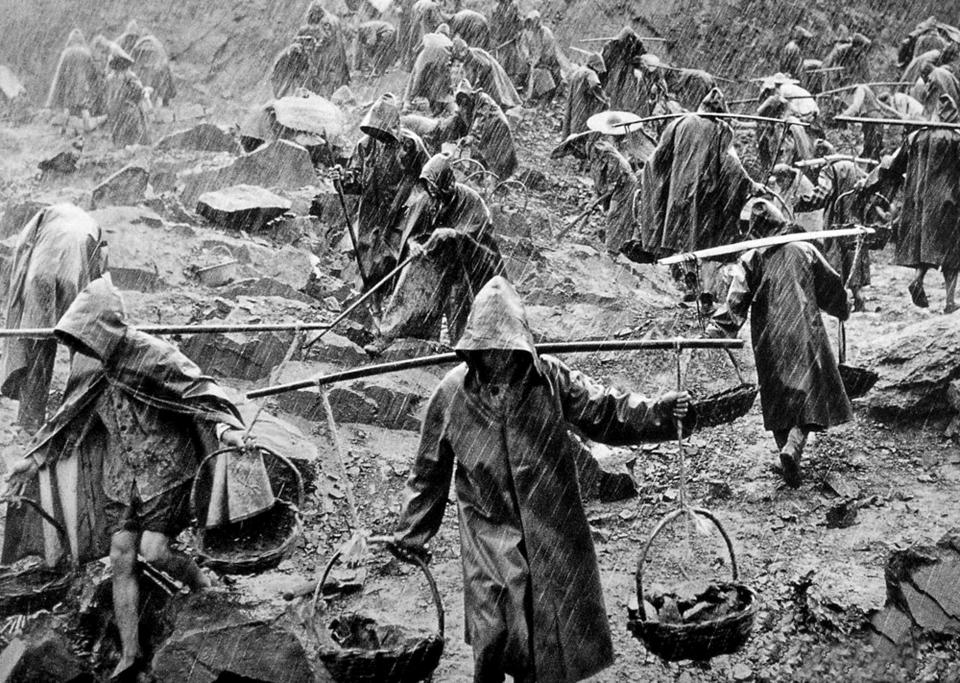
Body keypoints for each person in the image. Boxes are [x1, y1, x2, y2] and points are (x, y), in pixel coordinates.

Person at [392, 275, 692, 682]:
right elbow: (429, 471)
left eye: (506, 348)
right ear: (475, 347)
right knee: (494, 628)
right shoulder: (451, 394)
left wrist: (658, 411)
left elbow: (604, 410)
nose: (499, 358)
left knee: (546, 634)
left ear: (520, 344)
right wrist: (411, 534)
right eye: (489, 348)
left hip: (550, 521)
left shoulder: (549, 379)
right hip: (487, 527)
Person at [2, 277, 261, 680]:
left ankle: (199, 582)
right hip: (120, 477)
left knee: (154, 550)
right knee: (121, 553)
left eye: (87, 338)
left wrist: (226, 429)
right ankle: (130, 653)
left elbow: (199, 391)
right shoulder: (90, 366)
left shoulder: (151, 354)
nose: (82, 347)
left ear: (106, 328)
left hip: (165, 468)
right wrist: (31, 460)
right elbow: (66, 420)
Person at [707, 200, 852, 487]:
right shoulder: (804, 248)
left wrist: (719, 328)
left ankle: (785, 452)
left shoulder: (752, 257)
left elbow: (737, 297)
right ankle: (794, 446)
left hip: (768, 336)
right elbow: (830, 288)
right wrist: (844, 306)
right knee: (810, 389)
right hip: (803, 328)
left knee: (777, 394)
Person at [640, 88, 761, 305]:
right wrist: (750, 184)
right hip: (705, 195)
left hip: (679, 193)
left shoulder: (679, 123)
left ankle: (690, 280)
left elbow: (659, 156)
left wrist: (659, 180)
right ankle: (706, 291)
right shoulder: (721, 129)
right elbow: (730, 163)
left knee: (683, 237)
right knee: (704, 241)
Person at [375, 152, 505, 348]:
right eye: (429, 189)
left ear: (447, 184)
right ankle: (395, 336)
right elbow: (411, 232)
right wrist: (414, 244)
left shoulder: (470, 200)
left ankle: (462, 349)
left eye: (436, 189)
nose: (432, 194)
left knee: (459, 299)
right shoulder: (426, 200)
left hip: (464, 263)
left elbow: (482, 241)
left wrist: (454, 234)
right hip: (436, 259)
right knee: (413, 279)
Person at [1, 204, 107, 432]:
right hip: (74, 271)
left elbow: (22, 256)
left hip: (40, 271)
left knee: (39, 343)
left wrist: (18, 299)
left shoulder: (44, 220)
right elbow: (100, 275)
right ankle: (80, 412)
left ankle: (30, 420)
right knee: (82, 344)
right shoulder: (90, 225)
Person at [861, 94, 960, 313]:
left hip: (919, 202)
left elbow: (895, 167)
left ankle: (918, 279)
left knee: (927, 244)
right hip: (947, 202)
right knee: (952, 252)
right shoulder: (955, 138)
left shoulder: (916, 137)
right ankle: (950, 301)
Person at [334, 93, 429, 297]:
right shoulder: (365, 145)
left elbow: (429, 177)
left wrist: (414, 202)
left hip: (401, 210)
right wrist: (341, 179)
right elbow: (355, 181)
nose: (379, 136)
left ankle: (391, 299)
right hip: (371, 211)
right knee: (367, 257)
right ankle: (370, 302)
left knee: (395, 256)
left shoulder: (411, 145)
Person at [795, 140, 870, 311]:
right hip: (855, 218)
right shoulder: (853, 166)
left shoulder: (829, 170)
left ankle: (838, 301)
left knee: (835, 260)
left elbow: (821, 195)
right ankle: (859, 298)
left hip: (837, 219)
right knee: (854, 257)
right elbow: (867, 188)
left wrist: (801, 203)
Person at [588, 139, 637, 256]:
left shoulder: (613, 158)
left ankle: (614, 250)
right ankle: (613, 248)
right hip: (616, 189)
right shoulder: (595, 162)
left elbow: (613, 181)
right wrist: (592, 202)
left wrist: (605, 192)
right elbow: (598, 185)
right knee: (612, 218)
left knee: (616, 216)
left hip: (626, 188)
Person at [46, 29, 97, 134]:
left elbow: (60, 72)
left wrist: (57, 90)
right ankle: (87, 127)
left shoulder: (66, 53)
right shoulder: (86, 53)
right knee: (84, 107)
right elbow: (92, 70)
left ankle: (63, 128)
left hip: (70, 84)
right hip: (82, 85)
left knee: (68, 107)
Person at [451, 35, 522, 109]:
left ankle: (504, 106)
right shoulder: (468, 56)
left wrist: (478, 80)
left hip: (490, 74)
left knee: (497, 95)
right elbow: (472, 73)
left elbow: (485, 66)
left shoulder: (473, 54)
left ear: (463, 50)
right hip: (487, 75)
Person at [297, 0, 351, 94]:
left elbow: (326, 38)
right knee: (336, 82)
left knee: (327, 82)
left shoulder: (325, 21)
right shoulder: (333, 18)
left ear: (316, 13)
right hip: (337, 54)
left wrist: (317, 47)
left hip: (330, 56)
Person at [105, 45, 150, 147]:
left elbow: (107, 97)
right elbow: (139, 91)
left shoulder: (109, 78)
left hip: (114, 114)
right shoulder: (129, 75)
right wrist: (146, 91)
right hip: (129, 111)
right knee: (136, 140)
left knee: (120, 140)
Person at [404, 26, 455, 113]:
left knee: (416, 82)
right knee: (417, 83)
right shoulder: (441, 48)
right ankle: (411, 104)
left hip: (428, 66)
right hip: (426, 66)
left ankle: (411, 103)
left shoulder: (432, 42)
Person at [562, 51, 608, 138]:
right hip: (584, 106)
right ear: (595, 66)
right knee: (583, 131)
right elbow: (596, 88)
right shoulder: (591, 74)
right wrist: (605, 101)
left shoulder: (578, 71)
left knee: (573, 129)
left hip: (574, 104)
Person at [519, 11, 563, 102]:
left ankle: (548, 96)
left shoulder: (545, 32)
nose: (532, 26)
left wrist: (543, 60)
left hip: (547, 61)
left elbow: (549, 49)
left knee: (546, 74)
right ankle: (531, 96)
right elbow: (524, 46)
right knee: (531, 74)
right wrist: (527, 57)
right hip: (533, 60)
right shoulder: (527, 33)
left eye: (533, 22)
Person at [601, 26, 646, 111]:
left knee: (625, 92)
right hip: (615, 70)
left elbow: (643, 53)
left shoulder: (635, 43)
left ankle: (624, 107)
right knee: (613, 91)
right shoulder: (611, 45)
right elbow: (605, 60)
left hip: (627, 71)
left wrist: (636, 59)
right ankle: (613, 106)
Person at [129, 29, 176, 107]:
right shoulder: (157, 44)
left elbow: (132, 59)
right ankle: (162, 101)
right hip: (156, 68)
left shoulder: (140, 44)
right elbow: (165, 69)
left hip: (143, 69)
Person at [490, 0, 524, 86]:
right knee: (500, 65)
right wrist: (494, 40)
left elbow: (520, 23)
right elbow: (494, 27)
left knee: (512, 65)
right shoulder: (495, 9)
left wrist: (518, 33)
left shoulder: (514, 7)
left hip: (511, 41)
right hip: (501, 42)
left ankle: (512, 86)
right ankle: (501, 86)